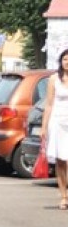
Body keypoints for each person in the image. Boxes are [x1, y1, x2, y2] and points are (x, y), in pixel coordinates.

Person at [41, 47, 68, 210]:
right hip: (57, 122)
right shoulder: (54, 79)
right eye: (65, 59)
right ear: (61, 61)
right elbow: (49, 104)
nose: (67, 62)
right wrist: (44, 127)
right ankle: (64, 196)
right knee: (60, 161)